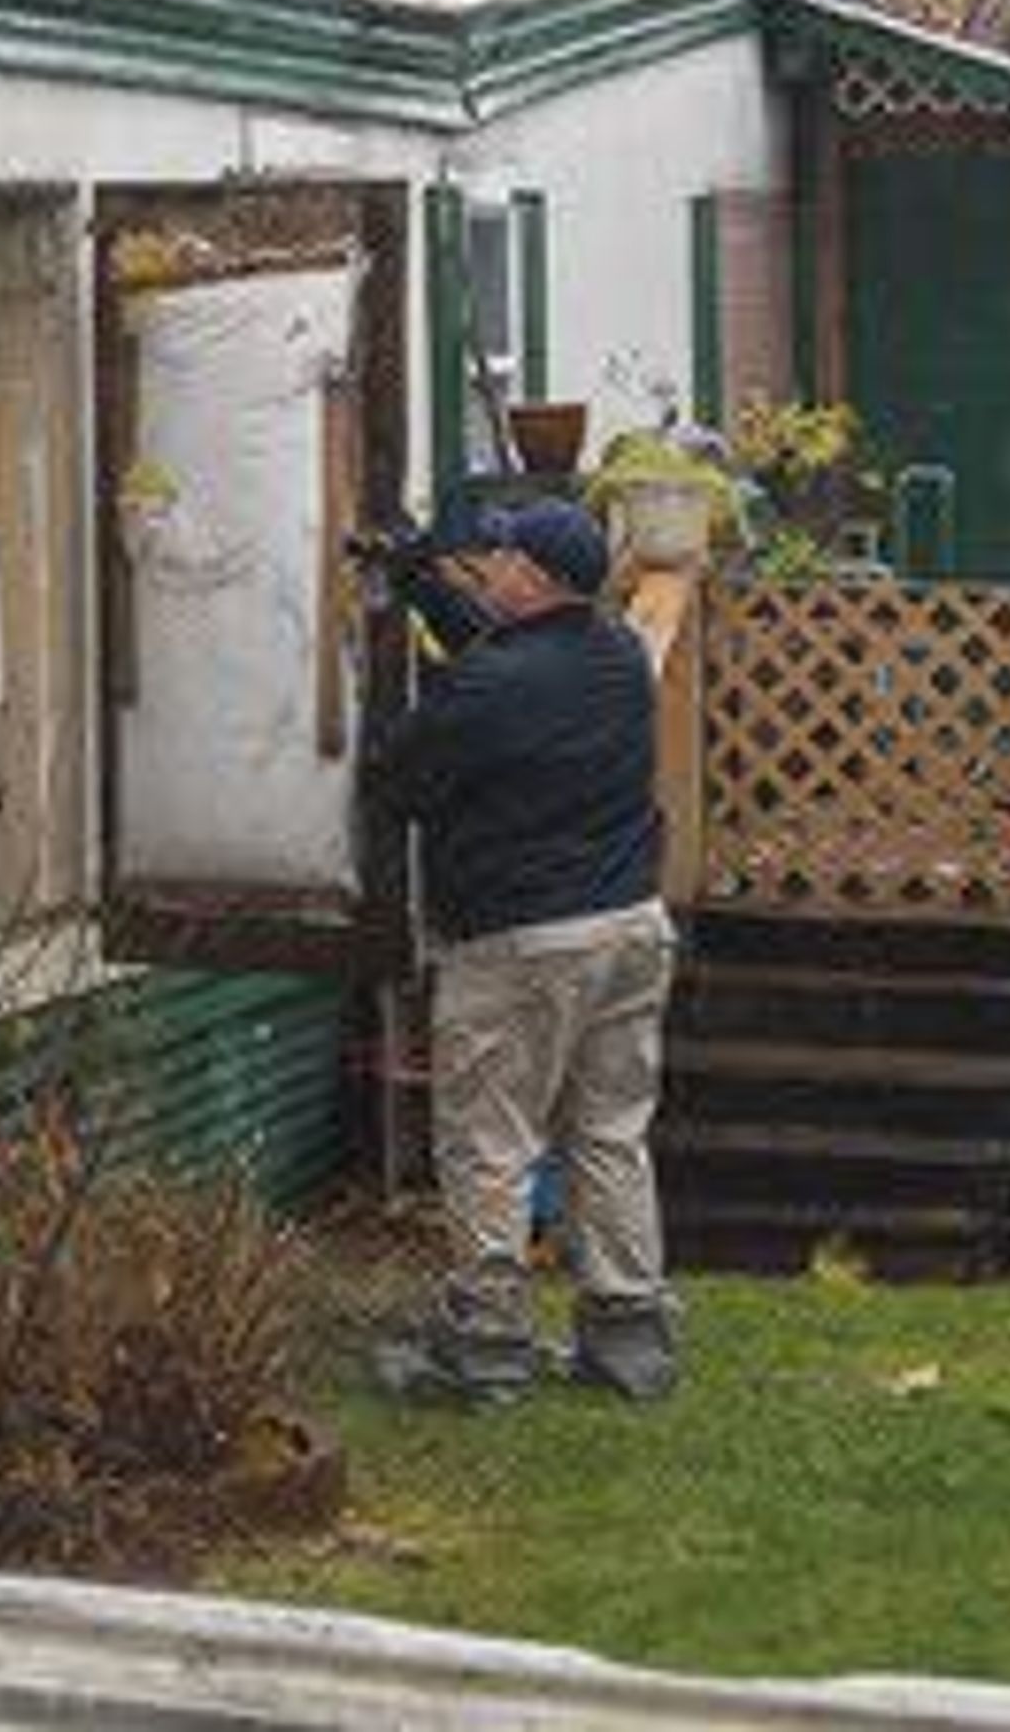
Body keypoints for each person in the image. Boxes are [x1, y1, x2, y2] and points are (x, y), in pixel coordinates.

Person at [362, 497, 679, 1405]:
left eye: (496, 556)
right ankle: (628, 1336)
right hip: (629, 930)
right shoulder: (617, 652)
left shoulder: (489, 689)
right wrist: (424, 581)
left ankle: (489, 1342)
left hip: (524, 944)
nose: (485, 566)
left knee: (490, 1140)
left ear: (533, 578)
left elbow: (394, 777)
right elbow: (504, 651)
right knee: (611, 1131)